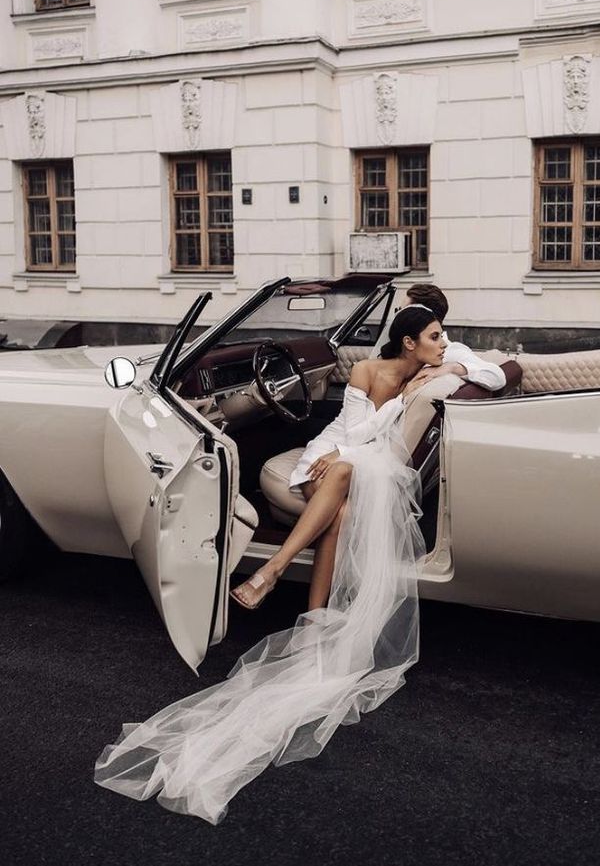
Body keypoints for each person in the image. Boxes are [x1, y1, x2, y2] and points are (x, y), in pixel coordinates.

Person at [94, 306, 444, 825]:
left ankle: (276, 571)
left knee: (344, 492)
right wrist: (352, 440)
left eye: (443, 336)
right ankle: (305, 601)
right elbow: (348, 427)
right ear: (409, 342)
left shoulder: (435, 367)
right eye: (435, 336)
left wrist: (435, 377)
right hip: (336, 453)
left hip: (367, 464)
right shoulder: (369, 370)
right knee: (342, 481)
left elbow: (486, 368)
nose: (444, 342)